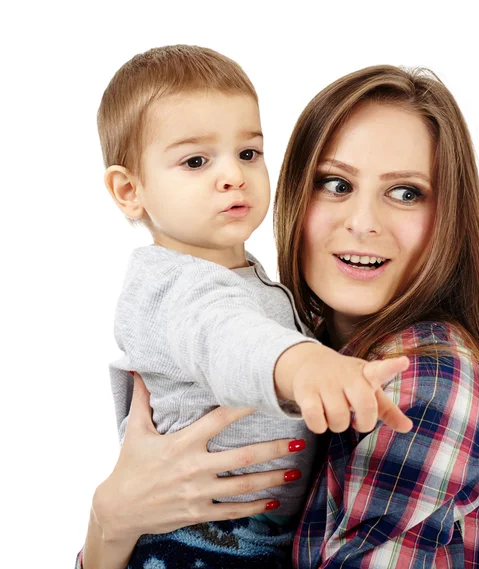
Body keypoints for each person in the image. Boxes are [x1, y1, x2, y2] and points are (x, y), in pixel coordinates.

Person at [78, 64, 479, 569]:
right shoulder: (192, 293)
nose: (362, 223)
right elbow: (224, 334)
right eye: (336, 183)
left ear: (449, 214)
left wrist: (111, 526)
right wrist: (112, 519)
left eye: (405, 192)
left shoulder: (423, 379)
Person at [96, 45, 413, 569]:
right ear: (130, 190)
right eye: (196, 161)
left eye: (248, 153)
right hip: (192, 547)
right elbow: (225, 339)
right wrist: (306, 364)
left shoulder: (247, 278)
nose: (233, 176)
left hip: (256, 545)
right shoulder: (168, 287)